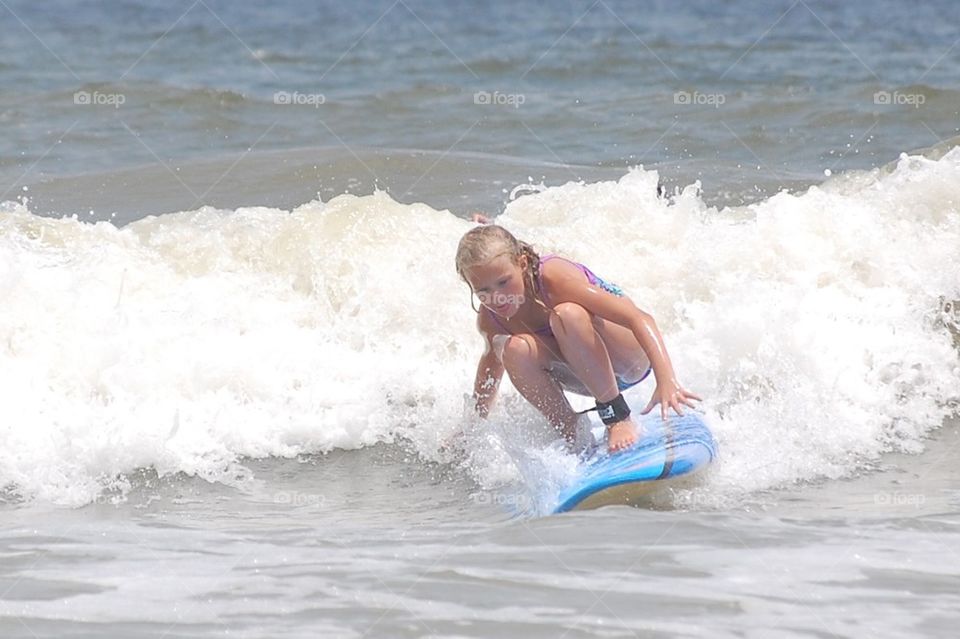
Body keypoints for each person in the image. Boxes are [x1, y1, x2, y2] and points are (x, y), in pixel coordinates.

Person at [456, 217, 700, 454]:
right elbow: (490, 369)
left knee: (567, 314)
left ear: (521, 264)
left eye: (503, 281)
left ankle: (617, 418)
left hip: (628, 360)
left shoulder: (553, 278)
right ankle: (571, 430)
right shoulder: (492, 319)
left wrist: (666, 380)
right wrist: (472, 426)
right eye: (483, 290)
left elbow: (640, 318)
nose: (497, 296)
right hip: (584, 376)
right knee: (513, 349)